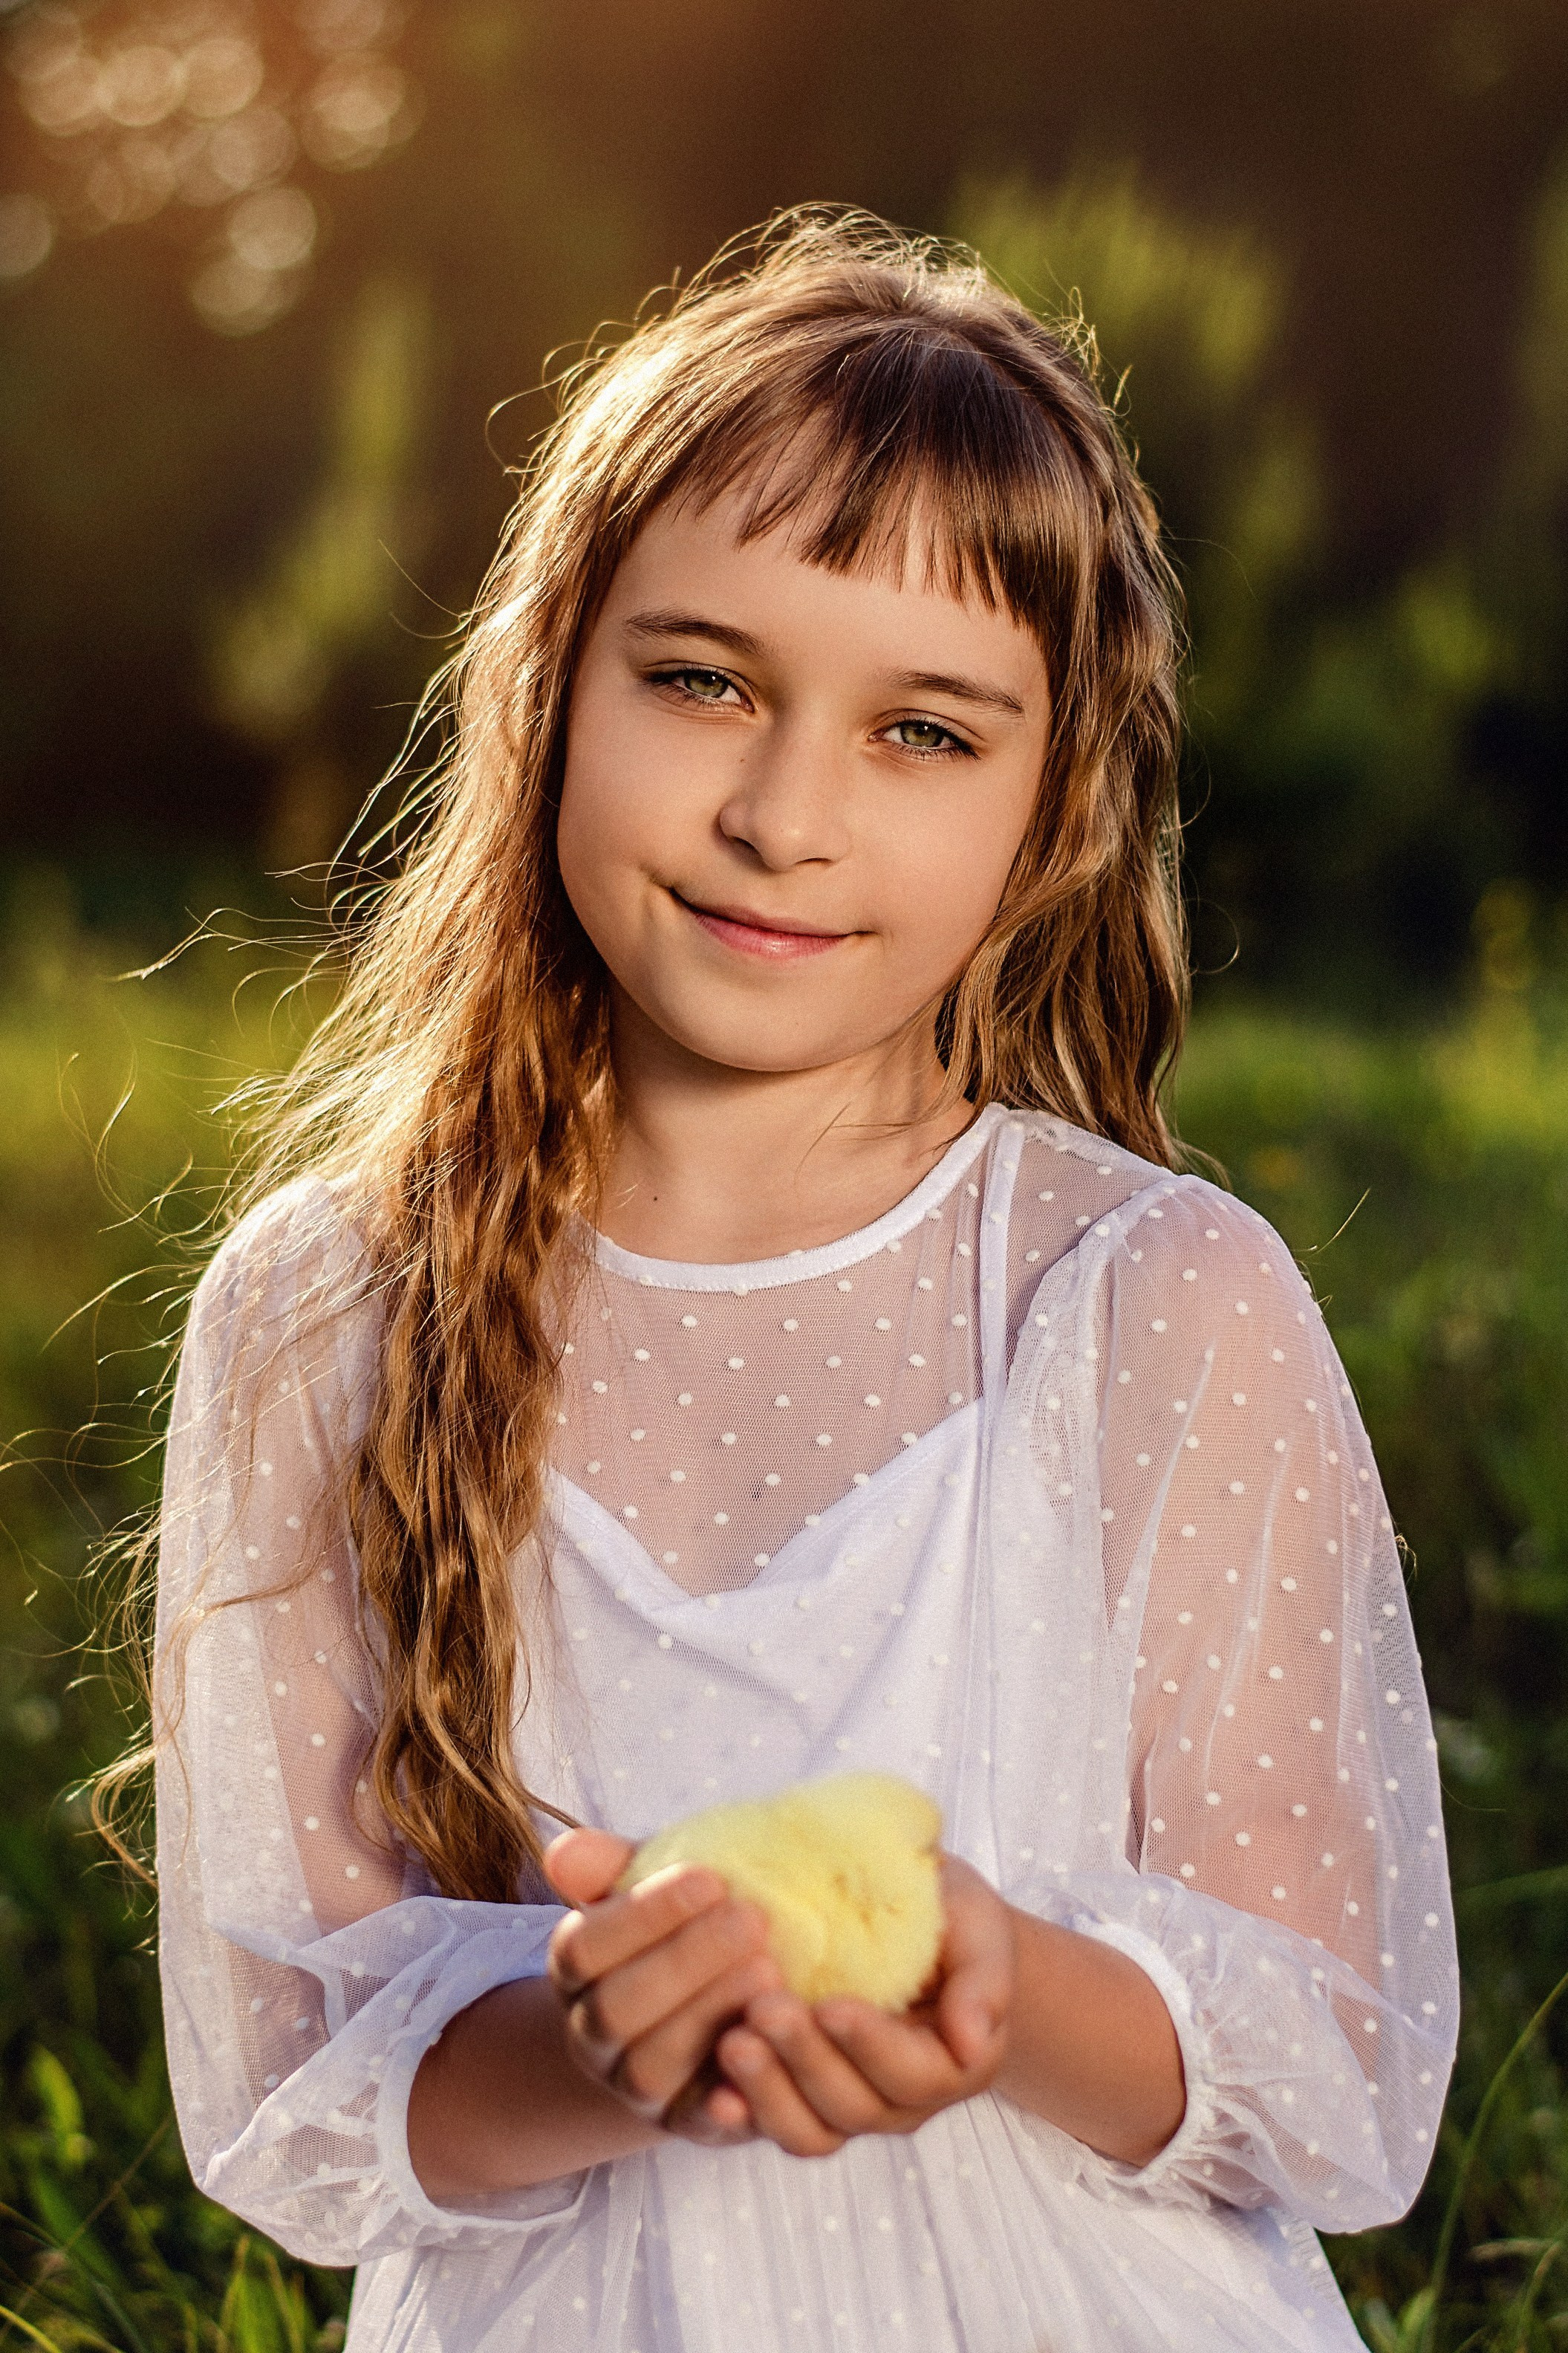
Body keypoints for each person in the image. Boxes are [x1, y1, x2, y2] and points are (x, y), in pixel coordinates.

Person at [152, 210, 1459, 2352]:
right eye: (703, 681)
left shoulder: (1147, 1297)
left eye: (924, 732)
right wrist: (611, 2045)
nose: (784, 814)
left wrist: (996, 1985)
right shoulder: (325, 1313)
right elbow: (298, 2088)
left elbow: (1334, 2069)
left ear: (1056, 806)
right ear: (545, 685)